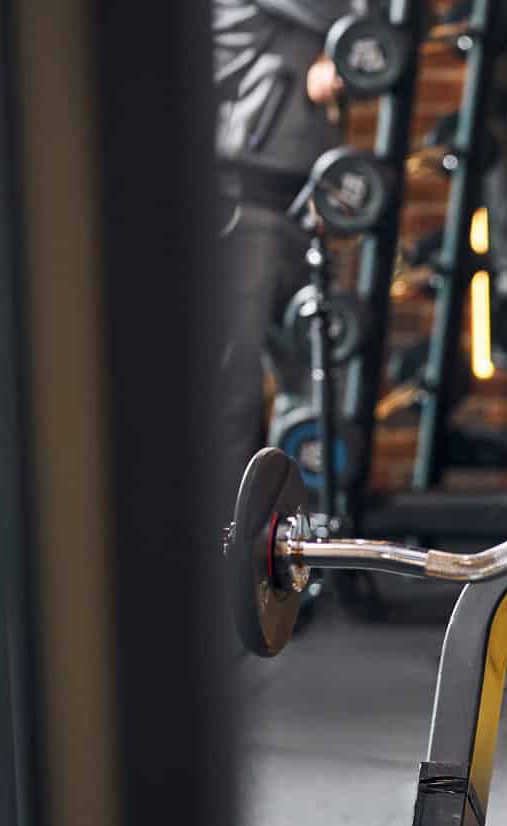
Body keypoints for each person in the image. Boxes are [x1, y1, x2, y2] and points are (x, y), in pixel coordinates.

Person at [211, 0, 350, 508]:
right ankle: (220, 554)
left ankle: (299, 550)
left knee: (315, 385)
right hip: (240, 198)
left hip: (301, 193)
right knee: (233, 393)